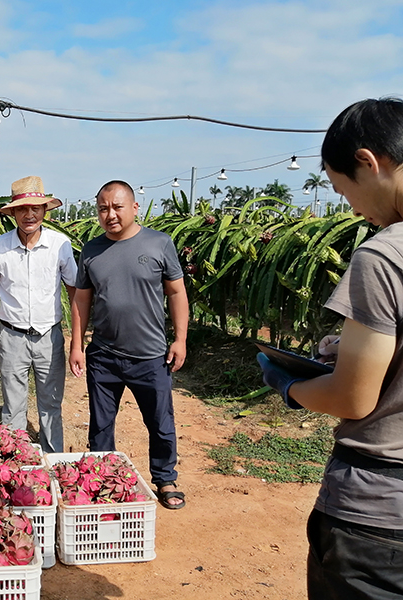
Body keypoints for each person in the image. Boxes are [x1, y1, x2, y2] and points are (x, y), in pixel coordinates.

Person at [258, 98, 403, 599]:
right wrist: (354, 345)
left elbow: (353, 398)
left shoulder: (385, 255)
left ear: (369, 162)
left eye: (344, 190)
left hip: (381, 516)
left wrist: (291, 384)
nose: (351, 207)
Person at [70, 180, 188, 509]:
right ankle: (103, 478)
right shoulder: (91, 250)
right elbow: (81, 300)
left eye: (117, 207)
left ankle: (165, 478)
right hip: (103, 356)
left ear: (134, 208)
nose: (110, 215)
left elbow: (177, 293)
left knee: (160, 422)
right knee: (101, 424)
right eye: (103, 209)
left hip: (151, 357)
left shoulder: (159, 244)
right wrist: (77, 345)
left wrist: (180, 339)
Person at [0, 175, 77, 453]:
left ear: (45, 211)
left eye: (35, 208)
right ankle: (16, 462)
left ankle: (53, 461)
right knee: (13, 406)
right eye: (22, 209)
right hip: (11, 336)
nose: (29, 215)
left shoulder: (60, 246)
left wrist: (78, 339)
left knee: (51, 405)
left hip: (49, 337)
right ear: (13, 213)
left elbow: (74, 292)